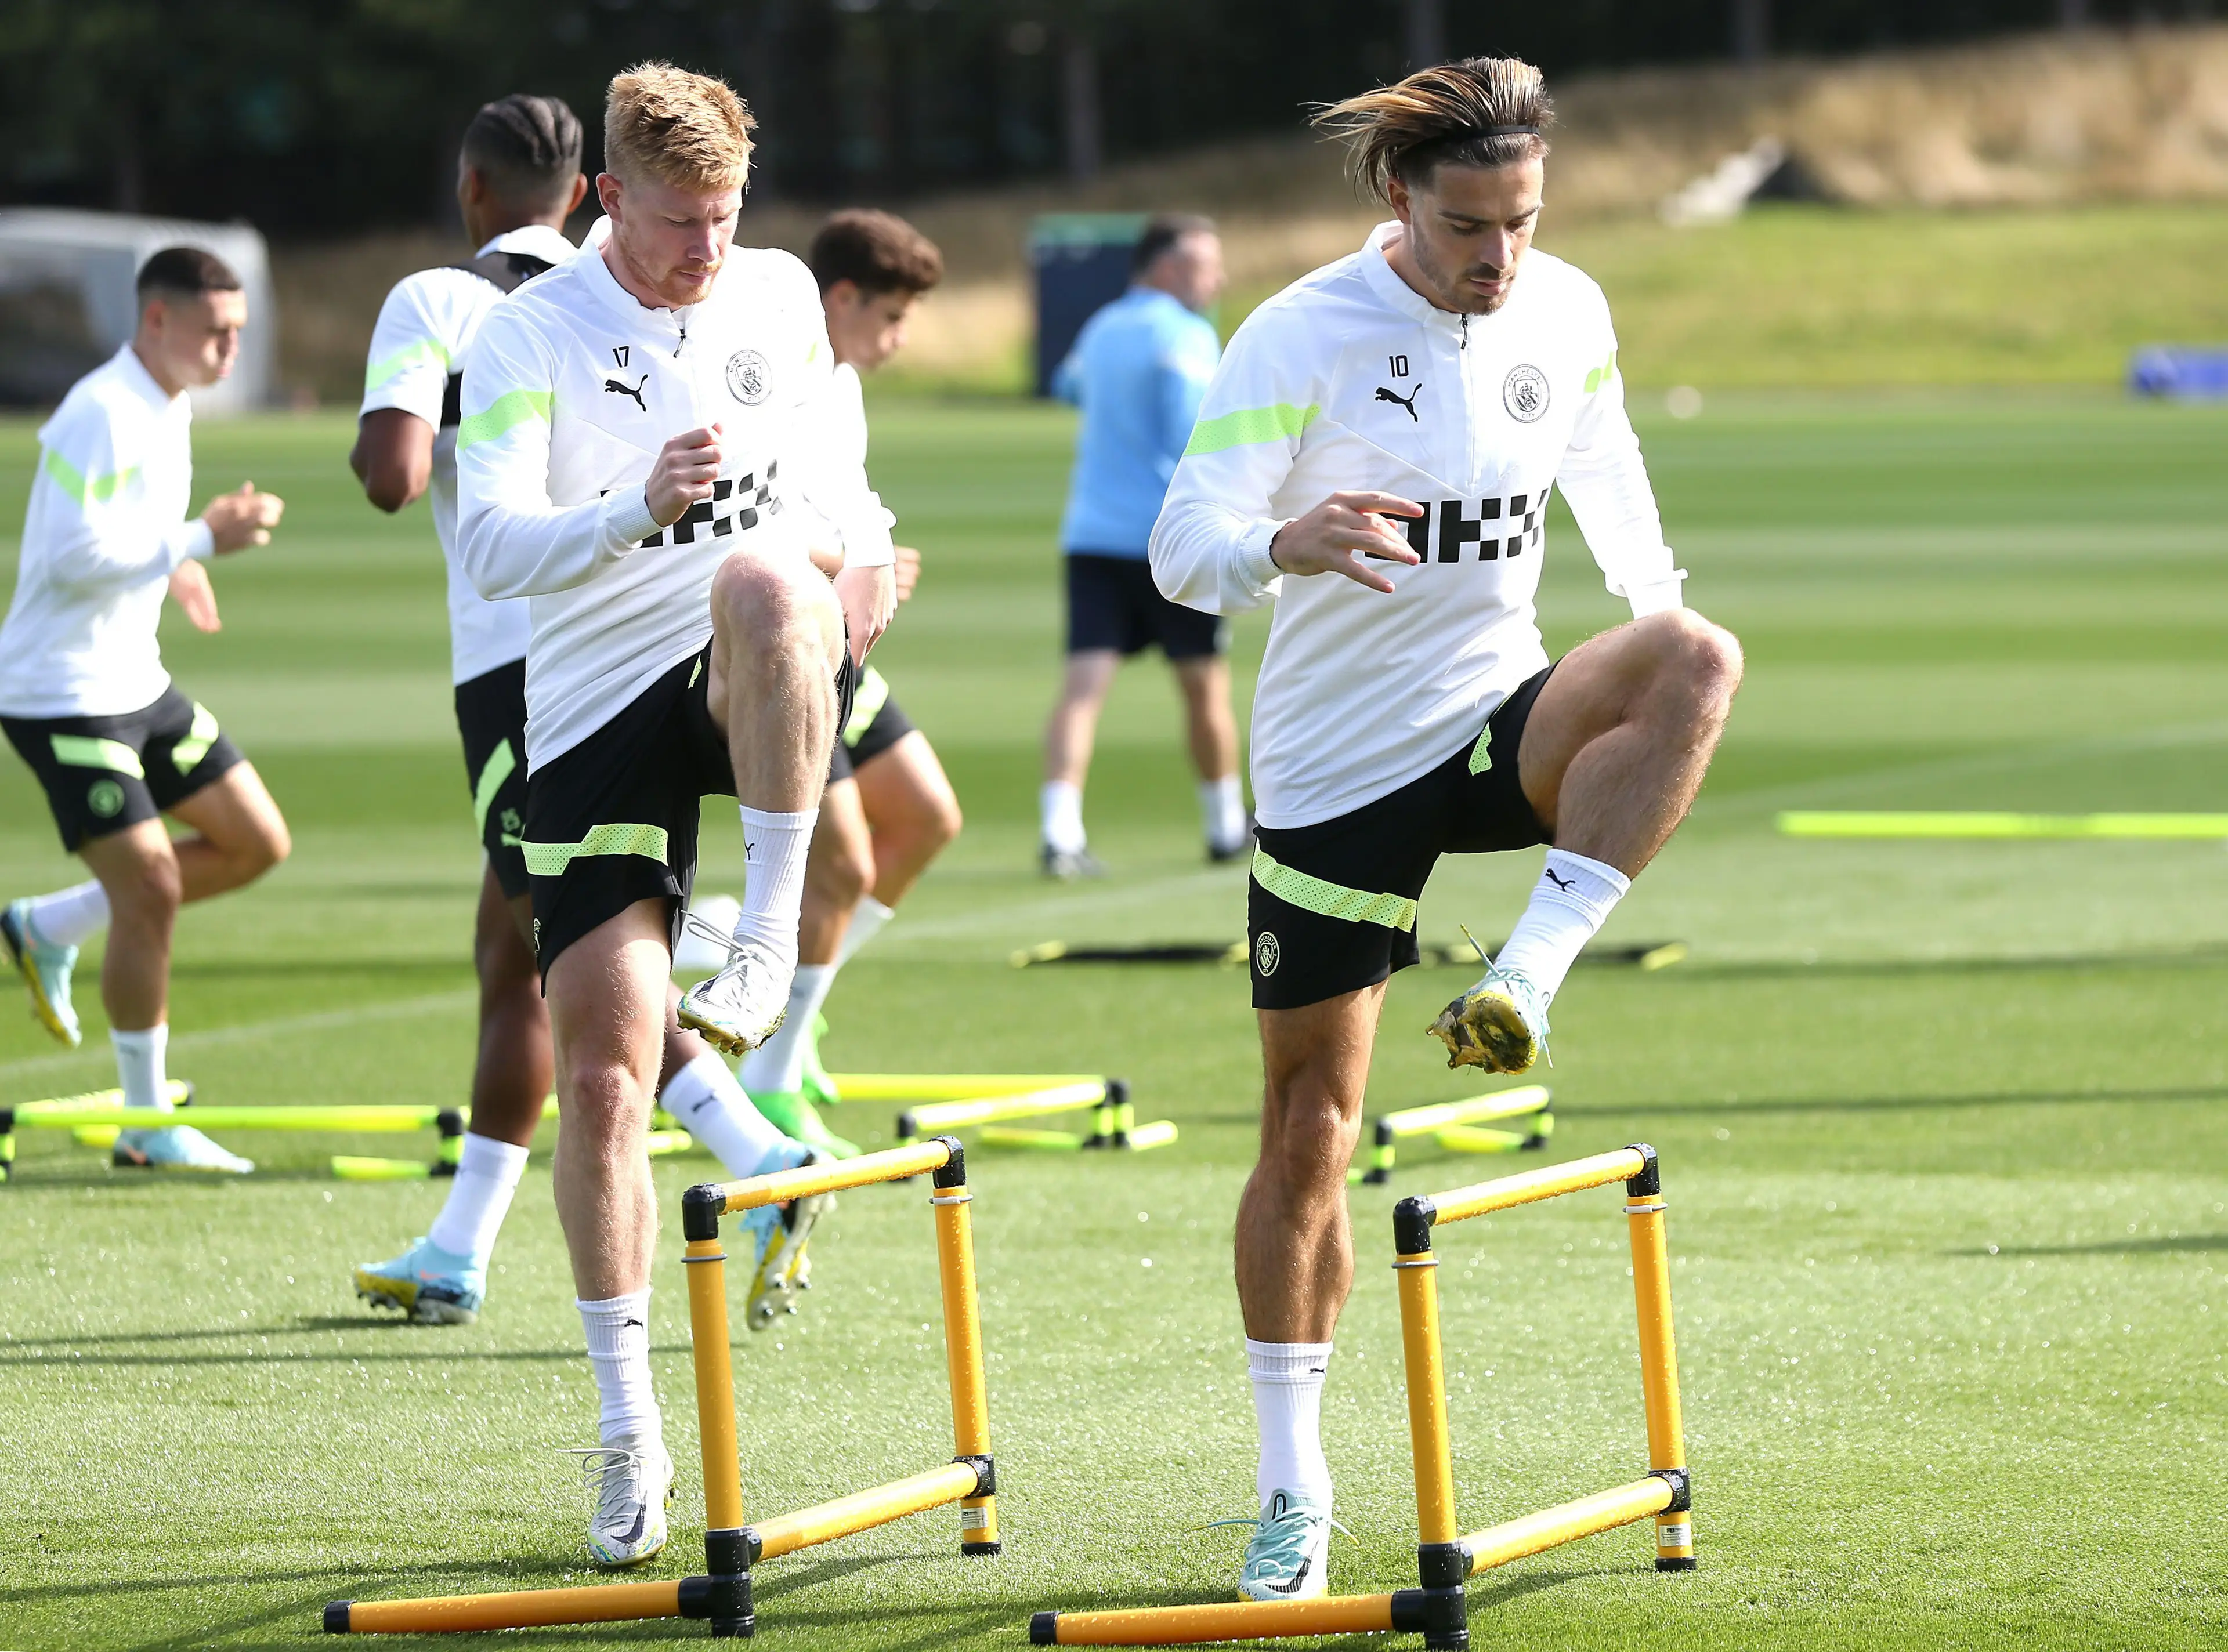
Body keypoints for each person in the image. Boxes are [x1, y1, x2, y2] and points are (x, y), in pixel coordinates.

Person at [1149, 57, 1742, 1602]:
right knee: (1311, 1136)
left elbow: (1607, 469)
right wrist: (1284, 542)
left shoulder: (1566, 310)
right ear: (1398, 198)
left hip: (1497, 714)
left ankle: (1522, 986)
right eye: (1473, 226)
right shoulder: (1301, 333)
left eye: (1526, 222)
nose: (1503, 258)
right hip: (1338, 771)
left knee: (1700, 659)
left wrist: (1651, 626)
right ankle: (1293, 1488)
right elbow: (1179, 550)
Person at [456, 63, 897, 1568]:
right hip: (590, 712)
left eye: (725, 219)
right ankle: (627, 1433)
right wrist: (629, 508)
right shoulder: (530, 334)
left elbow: (840, 473)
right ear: (602, 201)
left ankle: (763, 940)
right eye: (676, 226)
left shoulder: (775, 291)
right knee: (604, 1074)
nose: (706, 252)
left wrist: (864, 552)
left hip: (743, 666)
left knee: (775, 576)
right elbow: (495, 545)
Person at [345, 95, 801, 1329]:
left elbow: (391, 479)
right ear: (589, 192)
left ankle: (756, 1157)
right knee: (525, 956)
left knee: (545, 964)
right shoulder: (555, 308)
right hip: (620, 649)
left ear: (471, 186)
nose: (708, 241)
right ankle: (467, 1235)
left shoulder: (444, 301)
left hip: (532, 670)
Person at [0, 248, 291, 1173]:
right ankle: (144, 1124)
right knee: (154, 886)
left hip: (136, 680)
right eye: (217, 332)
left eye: (240, 331)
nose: (231, 349)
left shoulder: (169, 404)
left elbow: (130, 531)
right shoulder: (98, 412)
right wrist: (204, 535)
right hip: (61, 694)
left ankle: (48, 927)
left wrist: (184, 566)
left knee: (257, 842)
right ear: (157, 321)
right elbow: (70, 557)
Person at [739, 209, 963, 1158]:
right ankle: (769, 1079)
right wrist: (848, 566)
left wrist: (874, 557)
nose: (901, 337)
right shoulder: (772, 380)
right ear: (840, 299)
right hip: (780, 640)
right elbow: (756, 518)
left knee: (925, 817)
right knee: (843, 867)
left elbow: (854, 502)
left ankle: (797, 993)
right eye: (892, 314)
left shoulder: (844, 386)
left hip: (840, 640)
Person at [1039, 213, 1245, 878]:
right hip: (1172, 541)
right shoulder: (1185, 334)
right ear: (1166, 268)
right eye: (1203, 265)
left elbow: (1068, 388)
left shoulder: (1101, 326)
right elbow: (1195, 428)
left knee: (1082, 688)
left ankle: (1059, 831)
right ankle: (1224, 828)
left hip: (1093, 536)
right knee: (1204, 686)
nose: (1215, 279)